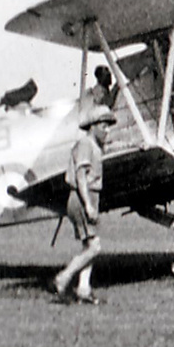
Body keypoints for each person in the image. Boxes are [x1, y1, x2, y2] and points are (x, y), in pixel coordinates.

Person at [52, 105, 118, 304]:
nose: (108, 130)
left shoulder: (93, 146)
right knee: (95, 247)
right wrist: (89, 205)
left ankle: (83, 288)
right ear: (94, 126)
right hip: (82, 197)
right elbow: (81, 176)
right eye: (105, 126)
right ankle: (64, 276)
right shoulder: (85, 144)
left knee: (89, 245)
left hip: (88, 196)